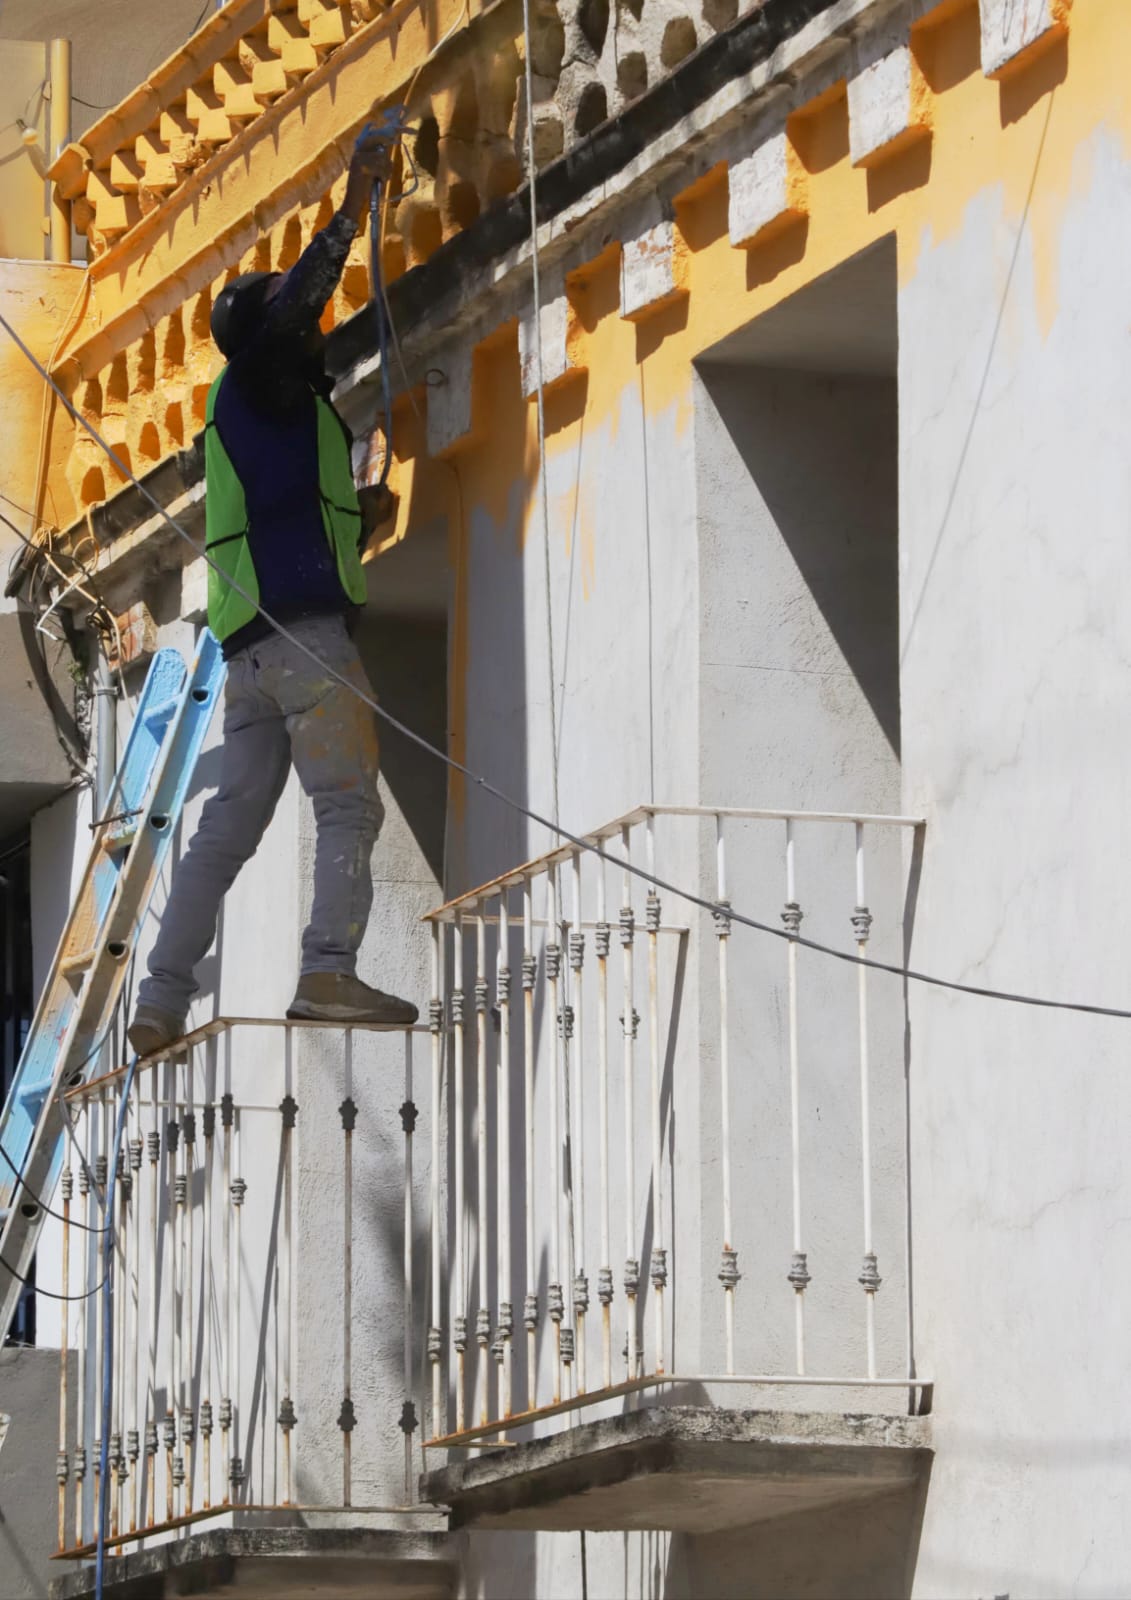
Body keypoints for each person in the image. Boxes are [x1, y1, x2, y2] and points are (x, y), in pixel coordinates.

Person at [128, 129, 418, 1056]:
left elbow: (283, 520)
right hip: (303, 645)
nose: (311, 324)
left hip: (250, 657)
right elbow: (297, 304)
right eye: (289, 314)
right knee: (348, 804)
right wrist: (354, 200)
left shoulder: (260, 419)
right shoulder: (256, 380)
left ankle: (159, 1001)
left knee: (224, 835)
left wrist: (358, 519)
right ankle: (328, 968)